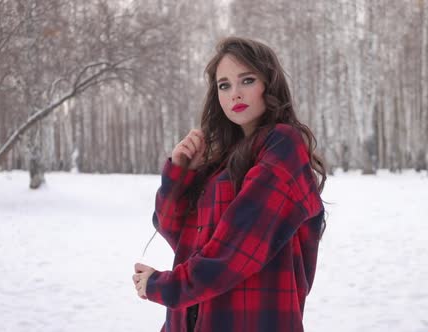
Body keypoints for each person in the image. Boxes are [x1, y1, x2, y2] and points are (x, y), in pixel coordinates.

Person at [132, 36, 326, 332]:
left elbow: (237, 247)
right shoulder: (220, 161)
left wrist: (168, 286)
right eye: (224, 85)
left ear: (269, 84)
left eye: (247, 80)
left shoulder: (283, 145)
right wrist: (180, 172)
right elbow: (179, 234)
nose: (234, 94)